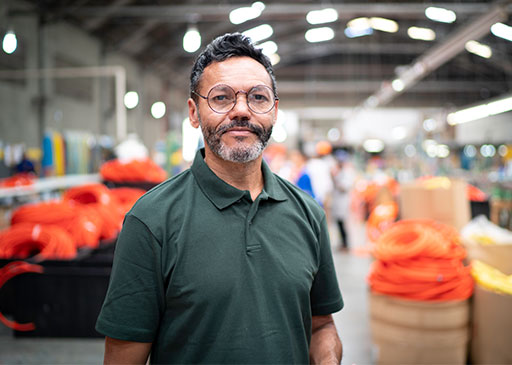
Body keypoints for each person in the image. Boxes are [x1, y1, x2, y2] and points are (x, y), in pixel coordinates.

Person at [96, 33, 344, 364]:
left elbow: (321, 325)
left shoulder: (307, 214)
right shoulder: (152, 220)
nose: (241, 110)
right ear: (194, 113)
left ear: (274, 111)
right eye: (222, 98)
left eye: (258, 97)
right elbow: (124, 356)